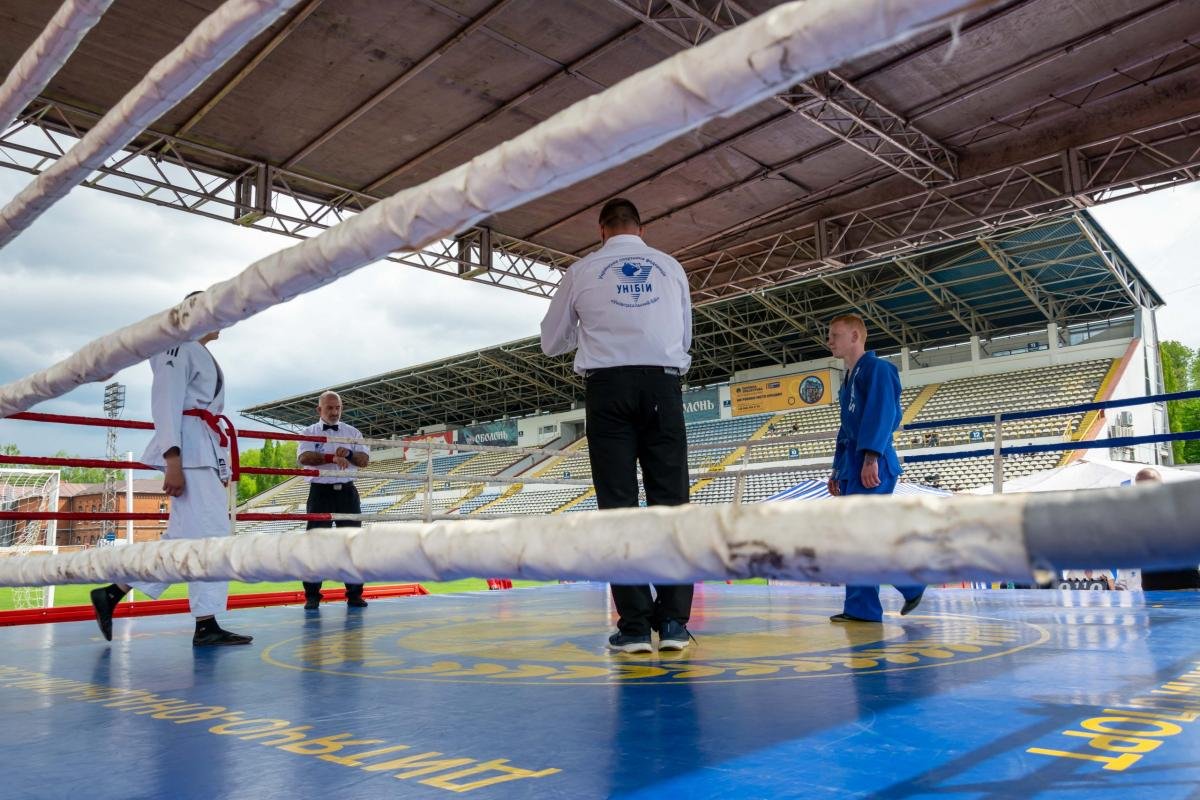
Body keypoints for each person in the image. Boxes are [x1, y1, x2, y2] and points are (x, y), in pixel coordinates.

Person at [540, 197, 694, 654]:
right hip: (663, 386)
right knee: (671, 504)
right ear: (640, 229)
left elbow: (552, 342)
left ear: (601, 230)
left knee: (618, 504)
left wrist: (586, 330)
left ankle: (633, 627)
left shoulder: (583, 271)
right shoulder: (670, 268)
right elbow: (684, 338)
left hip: (607, 389)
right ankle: (673, 625)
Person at [90, 295, 252, 646]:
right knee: (212, 538)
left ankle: (114, 593)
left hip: (202, 451)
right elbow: (165, 402)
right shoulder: (174, 347)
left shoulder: (194, 349)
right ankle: (204, 623)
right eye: (214, 310)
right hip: (190, 454)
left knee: (184, 540)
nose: (222, 316)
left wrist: (216, 461)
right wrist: (172, 460)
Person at [826, 314, 924, 623]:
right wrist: (836, 470)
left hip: (873, 462)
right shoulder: (849, 379)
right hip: (851, 465)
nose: (829, 341)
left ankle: (888, 596)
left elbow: (884, 415)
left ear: (855, 337)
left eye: (835, 335)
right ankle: (897, 591)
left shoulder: (879, 370)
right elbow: (846, 429)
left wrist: (870, 457)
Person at [296, 391, 371, 610]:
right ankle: (312, 596)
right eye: (329, 408)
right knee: (315, 545)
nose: (334, 412)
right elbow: (304, 458)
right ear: (319, 410)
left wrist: (347, 454)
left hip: (347, 493)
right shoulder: (308, 432)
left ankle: (355, 594)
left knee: (352, 544)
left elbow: (364, 460)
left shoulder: (352, 432)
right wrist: (331, 457)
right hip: (320, 492)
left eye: (338, 407)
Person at [1137, 467, 1200, 590]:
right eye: (1141, 486)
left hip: (1186, 584)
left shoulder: (1181, 506)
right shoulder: (1136, 512)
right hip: (1153, 587)